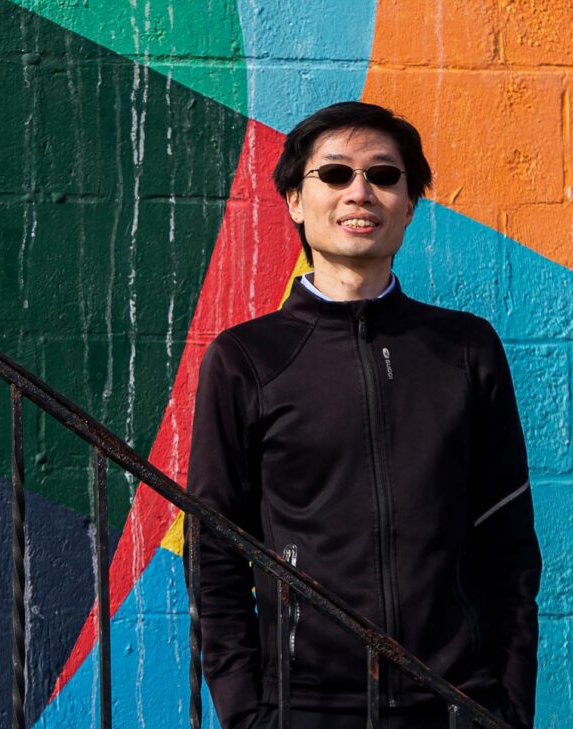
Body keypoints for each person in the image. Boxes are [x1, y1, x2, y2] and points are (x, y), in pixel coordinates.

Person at [187, 101, 540, 729]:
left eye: (383, 176)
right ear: (295, 199)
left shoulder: (465, 350)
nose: (361, 192)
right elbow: (214, 553)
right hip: (306, 710)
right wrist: (247, 714)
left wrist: (507, 706)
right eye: (335, 175)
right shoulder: (246, 359)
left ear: (409, 203)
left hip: (453, 706)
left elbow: (508, 545)